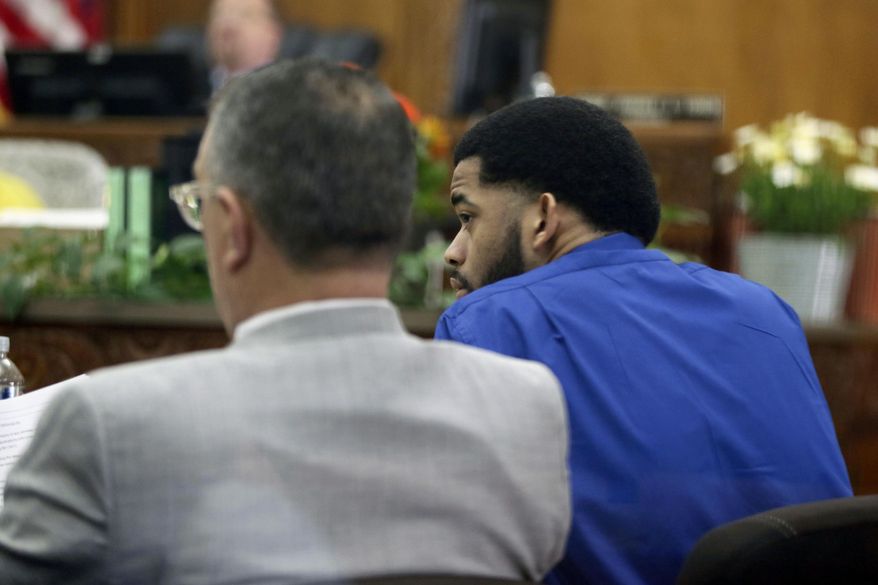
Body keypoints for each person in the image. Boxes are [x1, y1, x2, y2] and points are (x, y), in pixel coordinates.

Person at [0, 60, 572, 584]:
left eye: (200, 201)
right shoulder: (526, 407)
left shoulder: (108, 426)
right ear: (397, 217)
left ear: (233, 225)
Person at [434, 96, 852, 585]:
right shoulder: (765, 311)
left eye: (468, 218)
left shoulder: (488, 324)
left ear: (543, 218)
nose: (453, 252)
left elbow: (458, 554)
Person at [206, 0, 284, 91]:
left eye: (245, 15)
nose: (228, 24)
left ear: (274, 34)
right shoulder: (190, 91)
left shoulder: (293, 92)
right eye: (219, 14)